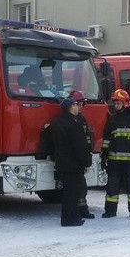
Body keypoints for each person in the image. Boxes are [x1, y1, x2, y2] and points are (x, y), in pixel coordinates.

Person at [101, 89, 130, 219]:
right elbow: (106, 139)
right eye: (114, 103)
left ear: (125, 103)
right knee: (112, 189)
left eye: (118, 103)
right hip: (114, 162)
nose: (115, 106)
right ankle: (110, 211)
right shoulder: (112, 120)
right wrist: (103, 155)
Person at [49, 91, 92, 226]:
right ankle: (71, 219)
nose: (78, 107)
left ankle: (70, 218)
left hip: (62, 163)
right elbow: (80, 146)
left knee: (68, 193)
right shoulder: (74, 124)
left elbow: (48, 141)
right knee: (72, 194)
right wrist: (86, 162)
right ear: (71, 107)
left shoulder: (56, 122)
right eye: (75, 105)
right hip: (73, 165)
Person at [69, 90, 96, 219]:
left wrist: (88, 158)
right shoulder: (70, 120)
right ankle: (79, 210)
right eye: (80, 104)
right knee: (77, 187)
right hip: (72, 160)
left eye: (82, 104)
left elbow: (87, 140)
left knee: (81, 187)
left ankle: (82, 209)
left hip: (80, 159)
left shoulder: (81, 120)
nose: (81, 107)